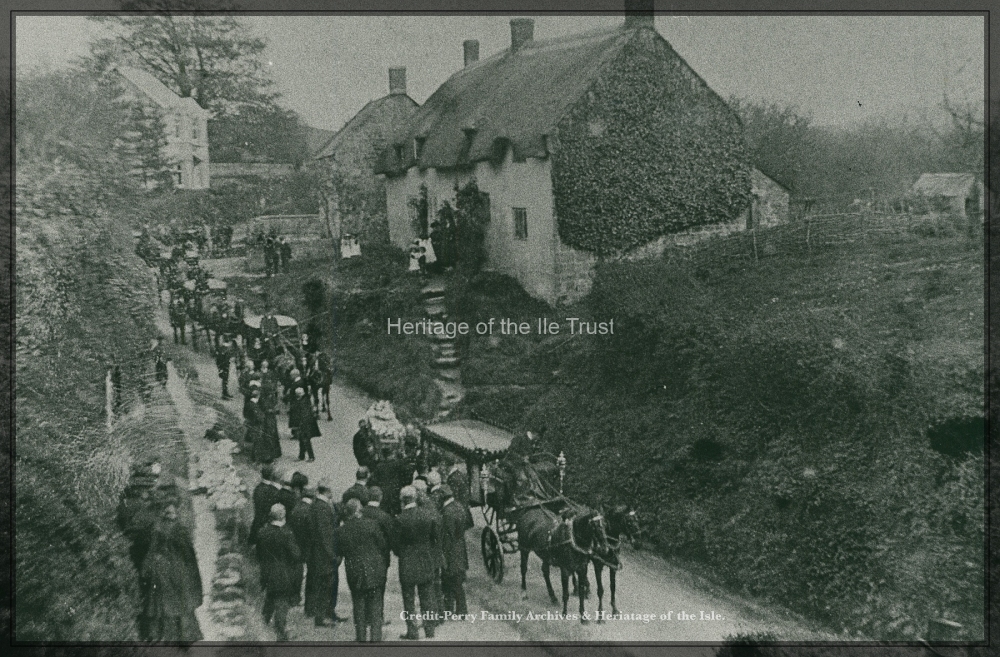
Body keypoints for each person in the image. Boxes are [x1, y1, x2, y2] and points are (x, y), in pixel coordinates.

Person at [138, 504, 203, 642]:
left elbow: (151, 551)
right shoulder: (180, 530)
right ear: (173, 514)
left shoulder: (157, 528)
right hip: (178, 571)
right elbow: (188, 553)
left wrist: (146, 569)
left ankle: (163, 636)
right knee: (181, 604)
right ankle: (185, 636)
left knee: (162, 604)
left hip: (161, 570)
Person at [337, 498, 388, 642]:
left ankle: (360, 637)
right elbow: (383, 545)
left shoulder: (342, 530)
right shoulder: (372, 525)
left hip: (354, 570)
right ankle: (376, 637)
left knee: (358, 602)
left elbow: (339, 551)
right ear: (360, 510)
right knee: (376, 603)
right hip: (375, 568)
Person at [394, 486, 439, 640]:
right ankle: (430, 630)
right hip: (425, 561)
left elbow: (396, 545)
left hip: (407, 563)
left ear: (402, 500)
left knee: (409, 600)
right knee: (427, 597)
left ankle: (412, 631)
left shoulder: (400, 519)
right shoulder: (427, 516)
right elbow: (434, 538)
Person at [257, 503, 301, 641]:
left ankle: (261, 625)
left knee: (270, 598)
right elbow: (296, 554)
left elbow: (258, 554)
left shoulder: (262, 532)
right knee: (282, 603)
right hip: (283, 573)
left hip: (267, 571)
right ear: (282, 515)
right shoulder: (286, 533)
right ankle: (281, 634)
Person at [306, 478, 347, 626]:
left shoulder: (320, 505)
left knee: (330, 584)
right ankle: (321, 616)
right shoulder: (321, 508)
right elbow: (324, 536)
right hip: (323, 555)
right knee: (325, 586)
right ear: (328, 491)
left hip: (322, 553)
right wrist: (333, 555)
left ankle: (329, 612)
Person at [439, 485, 473, 617]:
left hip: (451, 552)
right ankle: (460, 610)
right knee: (457, 580)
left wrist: (443, 555)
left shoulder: (447, 512)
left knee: (450, 581)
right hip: (460, 549)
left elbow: (448, 536)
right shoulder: (459, 507)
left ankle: (451, 610)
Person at [288, 481, 314, 607]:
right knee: (308, 573)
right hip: (307, 544)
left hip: (296, 542)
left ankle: (294, 596)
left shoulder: (296, 507)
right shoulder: (310, 510)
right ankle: (303, 599)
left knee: (296, 570)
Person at [361, 487, 394, 572]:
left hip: (362, 555)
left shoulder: (360, 513)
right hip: (381, 557)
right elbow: (390, 536)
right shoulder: (384, 516)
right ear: (380, 497)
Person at [250, 465, 282, 545]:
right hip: (267, 522)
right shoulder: (272, 490)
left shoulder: (258, 488)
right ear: (272, 476)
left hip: (257, 520)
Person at [289, 387, 320, 462]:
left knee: (305, 440)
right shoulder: (304, 400)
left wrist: (300, 423)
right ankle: (301, 456)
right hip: (304, 424)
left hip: (305, 424)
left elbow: (303, 414)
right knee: (302, 440)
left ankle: (310, 457)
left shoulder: (303, 402)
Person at [215, 335, 234, 399]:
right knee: (225, 380)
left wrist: (219, 367)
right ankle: (224, 394)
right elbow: (222, 360)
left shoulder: (222, 348)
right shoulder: (225, 349)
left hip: (223, 367)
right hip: (224, 367)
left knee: (225, 380)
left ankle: (225, 393)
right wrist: (221, 368)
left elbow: (218, 360)